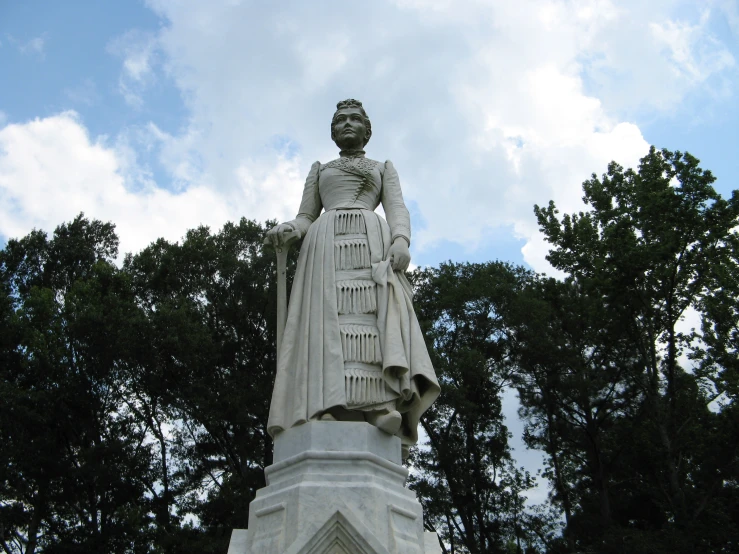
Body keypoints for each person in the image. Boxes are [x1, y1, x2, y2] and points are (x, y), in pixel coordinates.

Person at [265, 99, 439, 452]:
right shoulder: (319, 169)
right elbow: (305, 217)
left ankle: (380, 407)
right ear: (332, 131)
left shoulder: (382, 167)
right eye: (340, 119)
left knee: (375, 322)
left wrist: (401, 240)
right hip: (325, 246)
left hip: (372, 242)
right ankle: (326, 405)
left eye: (354, 118)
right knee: (327, 326)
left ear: (366, 128)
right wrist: (289, 230)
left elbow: (397, 208)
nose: (347, 123)